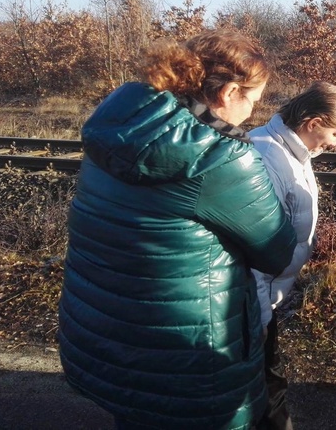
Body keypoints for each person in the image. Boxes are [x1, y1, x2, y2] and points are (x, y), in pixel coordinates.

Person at [57, 29, 297, 429]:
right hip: (186, 357)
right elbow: (277, 252)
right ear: (228, 92)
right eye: (252, 101)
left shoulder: (118, 124)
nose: (252, 115)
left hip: (106, 333)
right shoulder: (220, 160)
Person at [248, 81, 336, 430]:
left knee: (266, 379)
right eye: (334, 133)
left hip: (267, 296)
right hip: (254, 299)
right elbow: (255, 251)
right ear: (313, 123)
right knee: (266, 382)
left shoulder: (292, 151)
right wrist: (261, 317)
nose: (334, 143)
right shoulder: (267, 157)